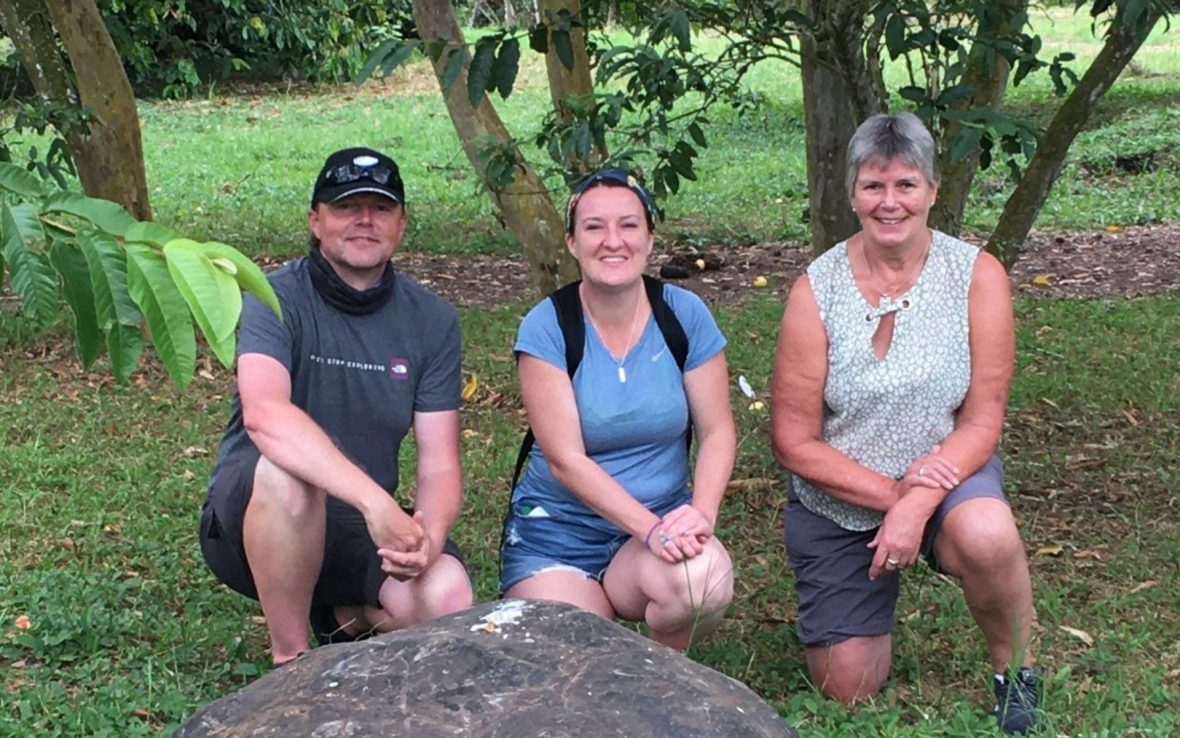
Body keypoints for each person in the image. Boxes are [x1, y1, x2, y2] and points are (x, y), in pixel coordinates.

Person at [770, 113, 1041, 733]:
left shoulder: (978, 275)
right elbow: (793, 440)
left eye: (906, 185)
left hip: (947, 471)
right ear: (851, 194)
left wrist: (920, 502)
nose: (889, 202)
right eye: (873, 186)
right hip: (840, 495)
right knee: (848, 686)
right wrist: (896, 500)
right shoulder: (816, 290)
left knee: (987, 533)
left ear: (934, 190)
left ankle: (1016, 671)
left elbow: (982, 418)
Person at [199, 147, 473, 666]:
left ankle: (342, 616)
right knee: (291, 477)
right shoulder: (271, 296)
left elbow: (440, 461)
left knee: (447, 597)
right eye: (347, 207)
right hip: (256, 514)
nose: (365, 221)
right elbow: (265, 416)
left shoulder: (433, 319)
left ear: (402, 223)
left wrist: (428, 538)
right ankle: (291, 659)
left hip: (357, 529)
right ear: (316, 220)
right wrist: (377, 503)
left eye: (381, 208)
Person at [499, 168, 736, 650]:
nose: (613, 241)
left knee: (703, 581)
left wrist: (700, 514)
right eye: (594, 227)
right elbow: (566, 461)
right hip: (560, 533)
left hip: (661, 520)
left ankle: (662, 677)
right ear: (571, 241)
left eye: (629, 225)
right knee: (573, 655)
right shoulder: (547, 327)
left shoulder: (684, 315)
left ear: (650, 237)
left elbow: (717, 431)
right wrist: (652, 532)